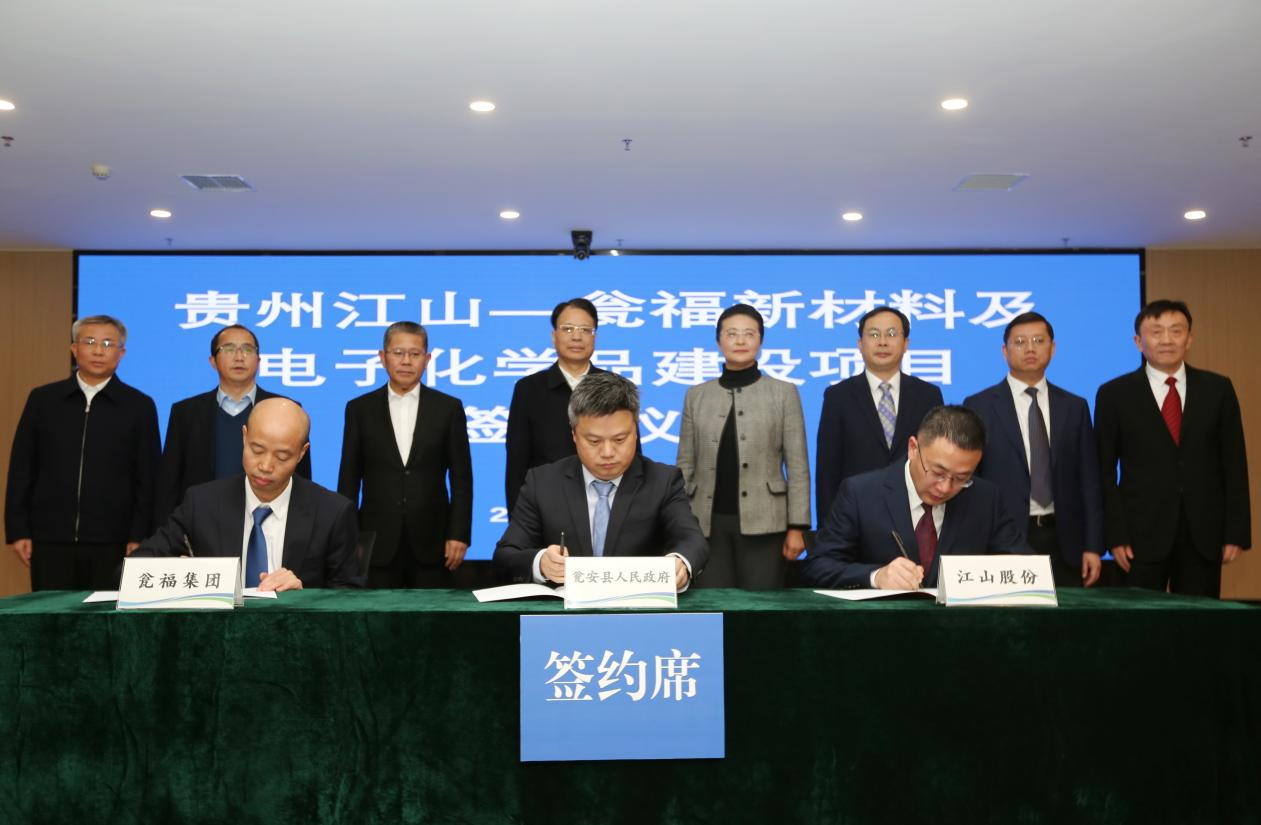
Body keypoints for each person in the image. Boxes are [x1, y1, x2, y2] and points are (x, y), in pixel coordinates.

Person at [494, 371, 708, 591]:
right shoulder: (543, 483)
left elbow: (692, 540)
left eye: (620, 439)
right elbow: (506, 554)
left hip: (638, 606)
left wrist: (680, 562)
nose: (607, 452)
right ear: (574, 435)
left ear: (635, 432)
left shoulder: (663, 481)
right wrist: (541, 563)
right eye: (594, 441)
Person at [1095, 299, 1251, 597]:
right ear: (1138, 342)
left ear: (1189, 338)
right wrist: (1114, 534)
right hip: (1138, 535)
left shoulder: (1218, 389)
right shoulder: (1114, 394)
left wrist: (1236, 533)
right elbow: (1103, 471)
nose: (1166, 340)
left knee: (1199, 619)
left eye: (1176, 331)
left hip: (1204, 534)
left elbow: (1234, 464)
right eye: (1156, 332)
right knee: (1139, 619)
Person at [134, 398, 362, 590]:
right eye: (257, 450)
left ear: (302, 453)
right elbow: (134, 569)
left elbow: (351, 597)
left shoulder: (332, 513)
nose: (265, 466)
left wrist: (303, 597)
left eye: (282, 456)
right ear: (244, 436)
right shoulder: (202, 503)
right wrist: (177, 572)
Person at [5, 315, 161, 590]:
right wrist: (18, 529)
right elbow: (22, 466)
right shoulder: (43, 400)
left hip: (114, 541)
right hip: (49, 537)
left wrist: (140, 536)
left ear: (121, 353)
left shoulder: (139, 405)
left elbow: (147, 476)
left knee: (105, 613)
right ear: (74, 349)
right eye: (89, 342)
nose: (98, 351)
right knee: (51, 613)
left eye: (108, 344)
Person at [804, 405, 1027, 590]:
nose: (945, 487)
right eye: (937, 472)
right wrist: (876, 576)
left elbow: (1025, 567)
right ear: (913, 448)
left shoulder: (985, 498)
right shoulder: (861, 493)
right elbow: (818, 566)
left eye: (961, 478)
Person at [964, 312, 1105, 587]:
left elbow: (1089, 481)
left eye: (1039, 341)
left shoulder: (1074, 406)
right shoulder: (979, 405)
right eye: (1020, 342)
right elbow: (971, 481)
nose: (1030, 348)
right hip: (1002, 537)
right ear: (1004, 351)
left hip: (1065, 540)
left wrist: (1093, 545)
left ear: (1052, 348)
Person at [675, 304, 810, 589]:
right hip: (705, 525)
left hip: (767, 524)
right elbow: (684, 464)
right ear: (718, 341)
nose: (740, 341)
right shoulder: (696, 395)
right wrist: (677, 523)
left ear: (760, 340)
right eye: (732, 334)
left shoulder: (784, 393)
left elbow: (798, 467)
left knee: (761, 606)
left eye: (749, 334)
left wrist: (797, 527)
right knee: (713, 603)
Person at [338, 321, 473, 588]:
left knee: (430, 613)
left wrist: (459, 534)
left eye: (415, 353)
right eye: (398, 353)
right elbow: (349, 479)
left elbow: (462, 479)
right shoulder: (359, 409)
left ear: (427, 359)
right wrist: (347, 537)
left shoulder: (448, 408)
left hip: (433, 542)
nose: (406, 361)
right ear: (382, 357)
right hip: (375, 541)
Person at [153, 324, 311, 526]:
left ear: (258, 360)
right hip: (201, 523)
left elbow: (302, 480)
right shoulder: (185, 412)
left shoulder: (287, 410)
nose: (239, 357)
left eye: (247, 349)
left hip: (268, 523)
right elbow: (169, 482)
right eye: (228, 349)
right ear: (213, 361)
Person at [815, 307, 943, 519]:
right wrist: (827, 529)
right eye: (874, 334)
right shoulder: (838, 396)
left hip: (915, 514)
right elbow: (827, 471)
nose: (882, 342)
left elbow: (938, 459)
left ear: (906, 344)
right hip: (856, 515)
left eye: (891, 334)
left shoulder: (928, 395)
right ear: (860, 344)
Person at [505, 297, 614, 511]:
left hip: (605, 504)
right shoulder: (529, 389)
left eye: (585, 330)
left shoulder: (614, 387)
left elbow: (632, 455)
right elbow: (517, 463)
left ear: (594, 337)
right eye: (568, 329)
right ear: (554, 336)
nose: (576, 336)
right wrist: (519, 522)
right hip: (546, 507)